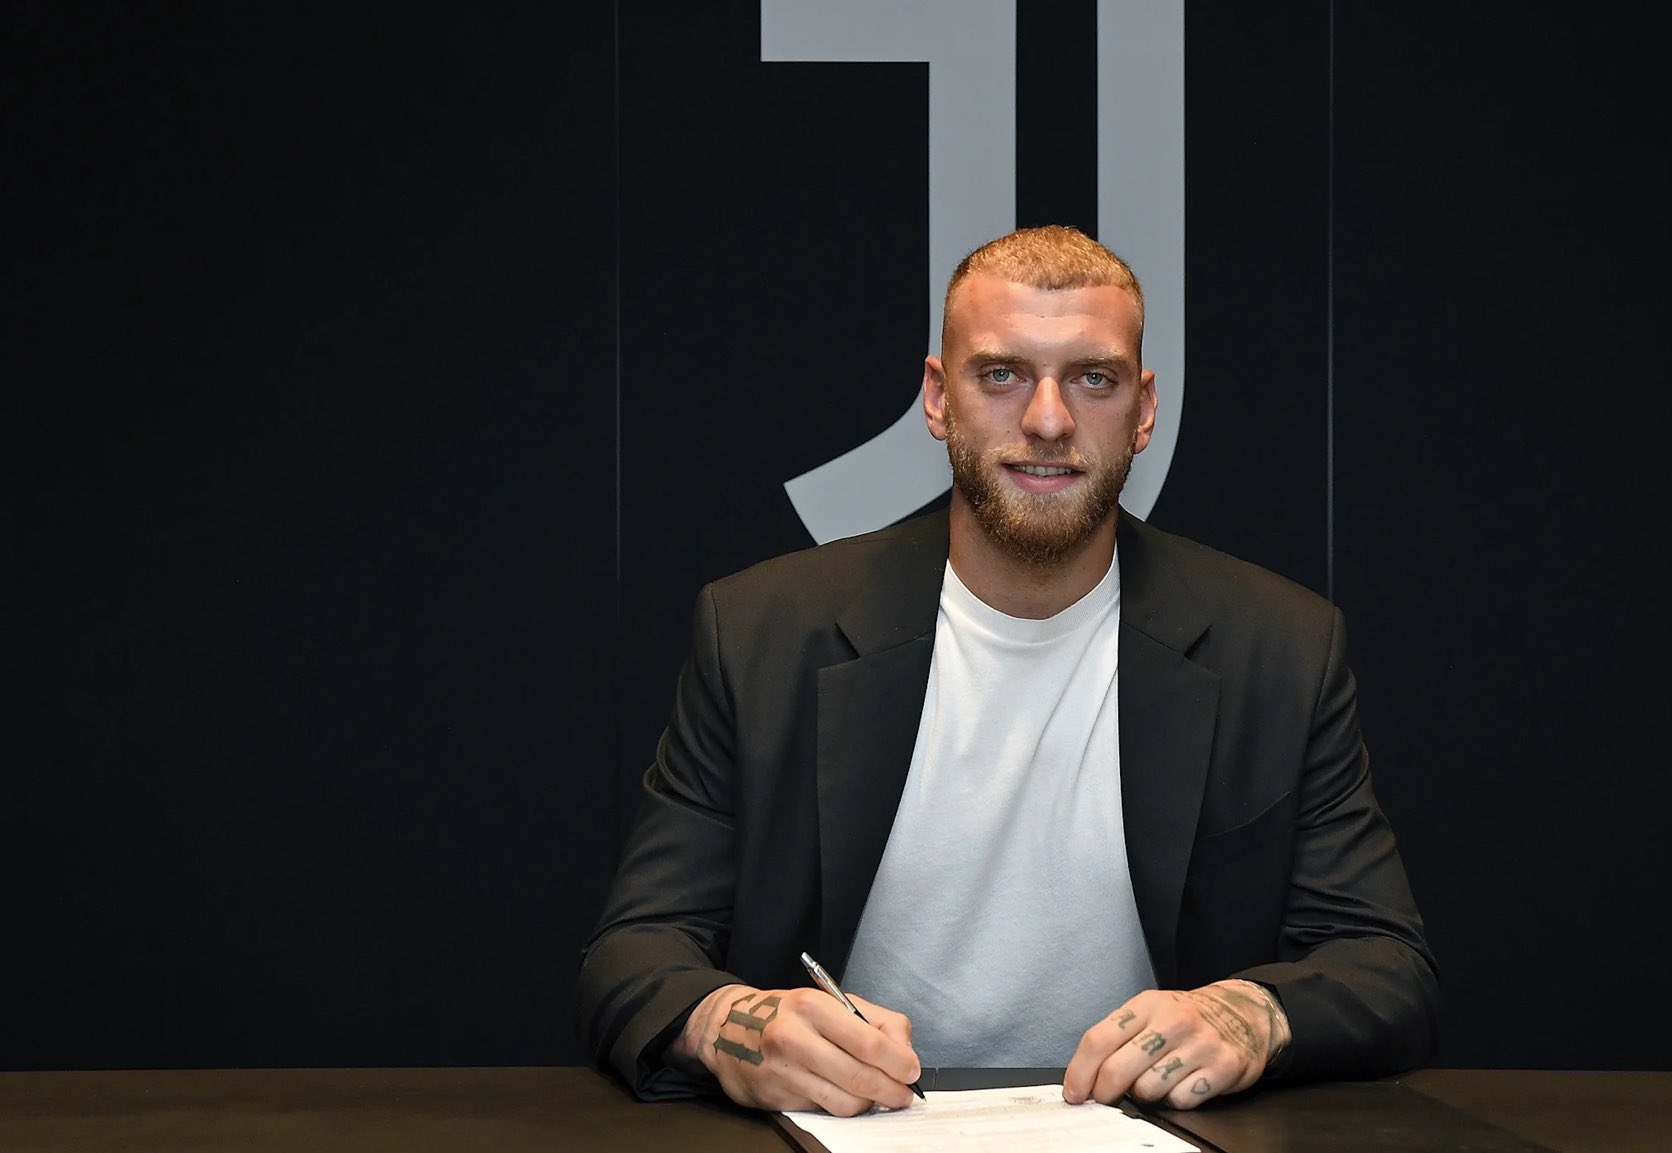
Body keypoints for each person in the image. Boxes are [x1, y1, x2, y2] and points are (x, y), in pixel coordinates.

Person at [574, 226, 1439, 1115]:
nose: (1048, 420)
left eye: (1093, 378)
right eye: (1001, 374)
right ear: (937, 398)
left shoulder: (1280, 647)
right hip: (857, 1130)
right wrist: (734, 1025)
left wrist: (1252, 1013)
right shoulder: (763, 634)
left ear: (1144, 410)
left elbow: (1386, 964)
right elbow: (634, 950)